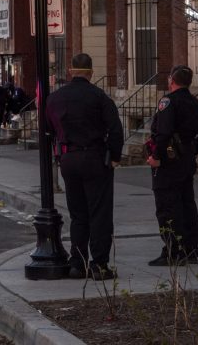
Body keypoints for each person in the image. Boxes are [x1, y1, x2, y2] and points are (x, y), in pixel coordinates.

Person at [46, 53, 123, 281]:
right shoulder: (99, 96)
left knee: (78, 214)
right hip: (94, 157)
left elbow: (49, 129)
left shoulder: (55, 98)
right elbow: (115, 129)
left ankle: (77, 263)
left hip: (68, 159)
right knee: (99, 213)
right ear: (90, 73)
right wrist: (115, 156)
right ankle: (99, 264)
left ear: (70, 71)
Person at [146, 64, 198, 266]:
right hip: (185, 160)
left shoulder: (168, 102)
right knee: (186, 204)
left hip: (168, 160)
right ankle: (190, 249)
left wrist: (156, 156)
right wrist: (191, 150)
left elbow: (164, 133)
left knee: (167, 206)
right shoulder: (195, 103)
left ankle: (173, 250)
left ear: (171, 81)